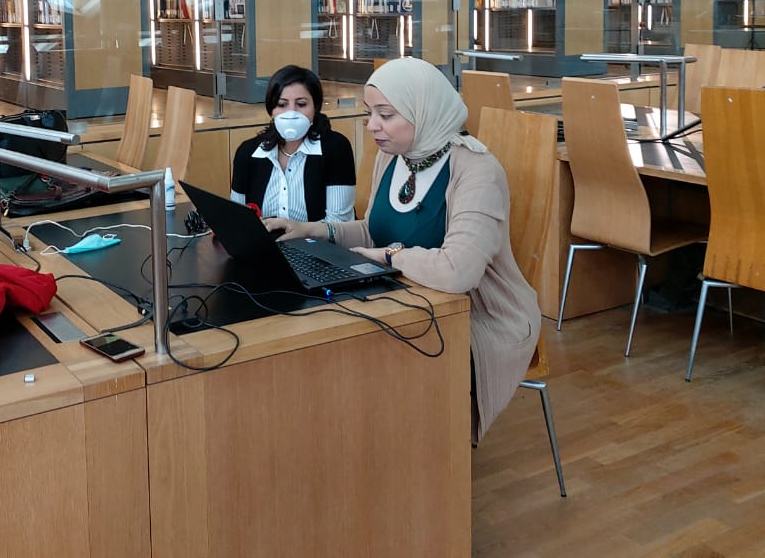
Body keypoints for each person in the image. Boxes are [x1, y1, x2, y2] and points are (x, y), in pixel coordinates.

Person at [267, 57, 539, 444]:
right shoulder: (393, 157)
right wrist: (311, 230)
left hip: (476, 315)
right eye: (370, 113)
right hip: (406, 298)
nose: (372, 125)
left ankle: (412, 458)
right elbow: (374, 230)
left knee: (366, 357)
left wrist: (388, 257)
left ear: (423, 111)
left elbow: (458, 271)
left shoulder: (477, 170)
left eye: (386, 115)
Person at [230, 64, 356, 224]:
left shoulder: (336, 148)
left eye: (301, 104)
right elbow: (238, 219)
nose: (291, 113)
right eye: (282, 104)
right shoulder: (247, 152)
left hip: (318, 240)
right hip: (263, 240)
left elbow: (338, 224)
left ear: (315, 107)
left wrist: (294, 231)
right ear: (271, 110)